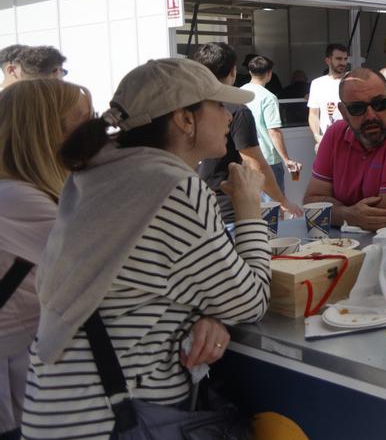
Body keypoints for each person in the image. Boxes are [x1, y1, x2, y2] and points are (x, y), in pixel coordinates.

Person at [26, 58, 270, 438]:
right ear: (184, 120)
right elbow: (250, 301)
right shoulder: (172, 187)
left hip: (62, 410)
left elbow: (142, 286)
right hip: (115, 419)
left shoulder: (99, 175)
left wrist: (206, 314)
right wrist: (249, 208)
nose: (228, 117)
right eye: (219, 106)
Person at [0, 79, 92, 436]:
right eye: (83, 120)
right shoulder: (17, 200)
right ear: (43, 133)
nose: (98, 130)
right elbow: (113, 265)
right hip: (18, 394)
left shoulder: (24, 192)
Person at [305, 68, 386, 230]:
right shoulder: (335, 134)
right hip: (349, 247)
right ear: (343, 112)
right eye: (357, 108)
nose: (371, 116)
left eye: (379, 104)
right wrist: (348, 214)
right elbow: (311, 203)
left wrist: (335, 212)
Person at [192, 43, 299, 220]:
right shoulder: (238, 110)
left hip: (195, 207)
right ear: (233, 72)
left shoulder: (185, 108)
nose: (226, 117)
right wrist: (282, 200)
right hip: (228, 211)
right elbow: (256, 163)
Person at [241, 55, 303, 194]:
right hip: (267, 159)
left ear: (250, 72)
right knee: (274, 204)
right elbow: (273, 131)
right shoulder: (268, 97)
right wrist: (286, 159)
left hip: (245, 157)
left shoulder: (240, 93)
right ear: (269, 74)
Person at [307, 43, 350, 151]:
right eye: (338, 59)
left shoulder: (352, 80)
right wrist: (317, 136)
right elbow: (313, 114)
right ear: (328, 60)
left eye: (345, 59)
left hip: (351, 138)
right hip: (327, 139)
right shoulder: (317, 83)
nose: (343, 62)